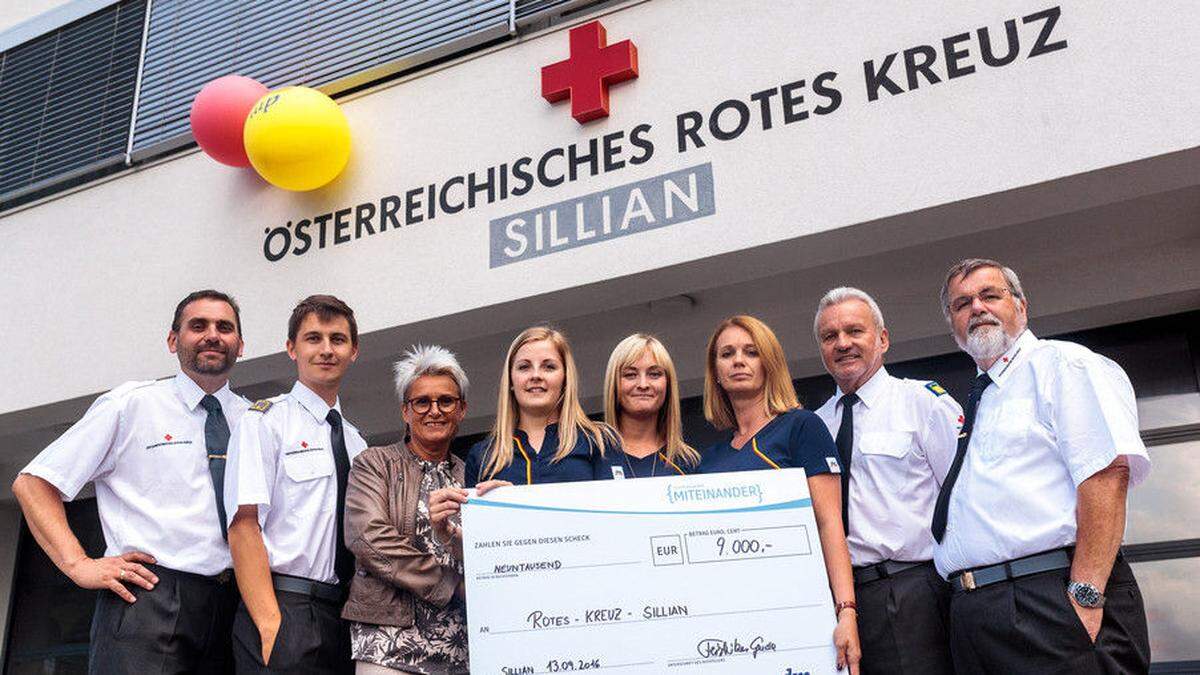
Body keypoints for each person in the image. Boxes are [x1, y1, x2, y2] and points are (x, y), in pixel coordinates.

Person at [13, 289, 248, 674]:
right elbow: (33, 483)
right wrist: (78, 564)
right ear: (173, 340)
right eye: (197, 326)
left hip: (231, 605)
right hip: (149, 599)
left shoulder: (256, 422)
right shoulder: (132, 404)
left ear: (240, 344)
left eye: (224, 327)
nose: (212, 335)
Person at [934, 258, 1152, 673]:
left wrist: (1085, 598)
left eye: (990, 295)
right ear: (953, 326)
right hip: (978, 613)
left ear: (1021, 306)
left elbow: (1106, 476)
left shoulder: (1062, 365)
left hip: (1047, 602)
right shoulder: (984, 398)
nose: (976, 307)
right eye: (962, 304)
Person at [697, 315, 861, 673]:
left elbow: (830, 524)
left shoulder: (802, 427)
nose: (738, 360)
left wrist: (846, 612)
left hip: (798, 611)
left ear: (768, 362)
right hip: (728, 621)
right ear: (716, 371)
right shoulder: (709, 460)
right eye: (727, 354)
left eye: (751, 352)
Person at [811, 288, 960, 675]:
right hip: (837, 601)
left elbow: (963, 500)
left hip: (912, 591)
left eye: (854, 331)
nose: (842, 343)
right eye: (830, 337)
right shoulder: (814, 425)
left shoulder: (923, 403)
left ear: (883, 339)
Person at [226, 295, 367, 674]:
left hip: (342, 614)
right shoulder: (265, 422)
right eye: (313, 338)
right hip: (285, 604)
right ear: (292, 348)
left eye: (337, 340)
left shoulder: (357, 443)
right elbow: (243, 526)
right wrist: (271, 622)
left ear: (354, 351)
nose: (326, 350)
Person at [342, 345, 471, 675]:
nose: (434, 410)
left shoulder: (472, 474)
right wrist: (449, 583)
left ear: (462, 410)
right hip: (388, 641)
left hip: (461, 645)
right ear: (405, 411)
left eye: (446, 401)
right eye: (422, 402)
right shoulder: (375, 463)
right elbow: (368, 539)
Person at [462, 325, 618, 487]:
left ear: (565, 378)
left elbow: (617, 508)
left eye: (549, 367)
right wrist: (502, 502)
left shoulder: (599, 441)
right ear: (511, 380)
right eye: (524, 367)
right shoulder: (483, 455)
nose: (536, 375)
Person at [602, 333, 699, 477]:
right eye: (630, 375)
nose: (643, 384)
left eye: (654, 374)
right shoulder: (594, 453)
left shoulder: (687, 463)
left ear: (668, 384)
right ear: (613, 384)